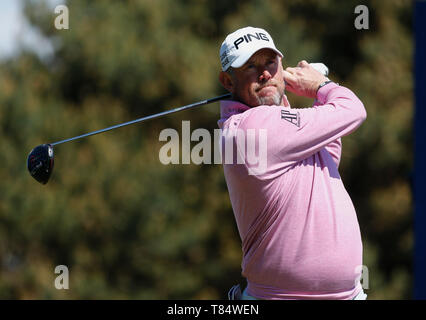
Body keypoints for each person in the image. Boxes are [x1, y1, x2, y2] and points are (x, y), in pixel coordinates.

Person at [217, 26, 367, 300]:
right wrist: (320, 86)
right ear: (228, 82)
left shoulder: (284, 129)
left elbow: (328, 153)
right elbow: (353, 110)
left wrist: (311, 92)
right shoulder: (250, 129)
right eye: (251, 67)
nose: (264, 73)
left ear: (281, 65)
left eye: (270, 63)